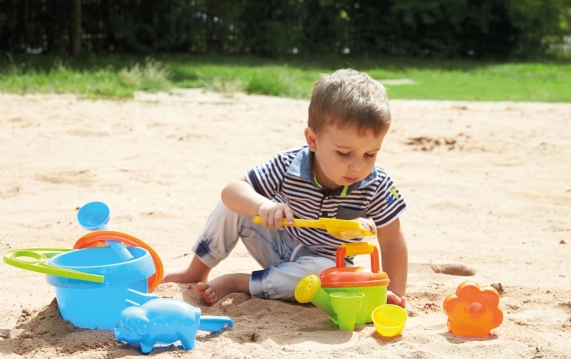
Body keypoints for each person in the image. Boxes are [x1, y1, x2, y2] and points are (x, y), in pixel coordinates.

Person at [162, 68, 408, 308]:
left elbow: (391, 240)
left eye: (370, 154)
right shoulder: (289, 164)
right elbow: (231, 191)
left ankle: (242, 282)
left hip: (326, 266)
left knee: (327, 271)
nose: (357, 166)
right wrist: (264, 205)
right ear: (312, 140)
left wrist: (393, 293)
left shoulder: (377, 184)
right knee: (236, 206)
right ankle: (195, 271)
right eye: (344, 153)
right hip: (277, 243)